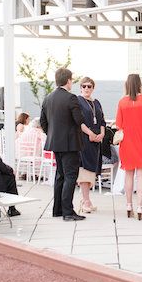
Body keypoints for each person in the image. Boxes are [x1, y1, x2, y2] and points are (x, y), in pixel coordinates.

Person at [40, 68, 91, 222]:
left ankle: (58, 210)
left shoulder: (47, 98)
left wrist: (53, 134)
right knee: (70, 177)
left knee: (60, 176)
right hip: (70, 144)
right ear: (68, 80)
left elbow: (43, 122)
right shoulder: (71, 98)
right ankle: (68, 212)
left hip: (55, 143)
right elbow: (79, 120)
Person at [116, 74, 142, 220]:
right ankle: (140, 207)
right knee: (141, 175)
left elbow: (119, 125)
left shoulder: (122, 102)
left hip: (127, 141)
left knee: (128, 175)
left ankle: (129, 205)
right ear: (140, 83)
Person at [76, 77, 106, 214]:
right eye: (84, 86)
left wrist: (101, 134)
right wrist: (90, 134)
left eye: (89, 86)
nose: (87, 89)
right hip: (84, 139)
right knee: (85, 170)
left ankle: (86, 199)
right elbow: (78, 121)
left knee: (92, 170)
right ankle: (86, 200)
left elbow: (102, 121)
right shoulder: (78, 101)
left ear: (93, 88)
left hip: (96, 141)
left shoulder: (97, 102)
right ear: (80, 87)